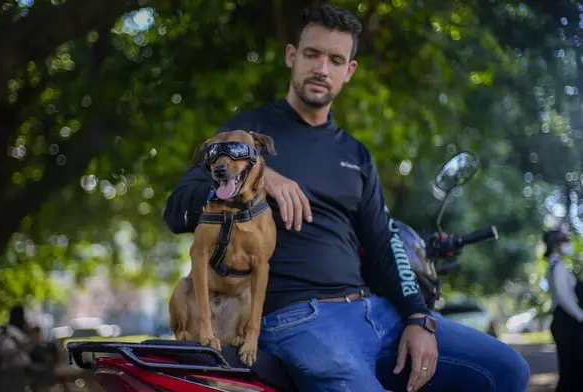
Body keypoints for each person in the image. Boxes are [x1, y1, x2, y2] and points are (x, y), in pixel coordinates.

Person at [163, 4, 530, 391]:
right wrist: (260, 176)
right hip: (296, 318)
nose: (322, 68)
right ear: (292, 56)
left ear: (348, 71)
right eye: (312, 54)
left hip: (374, 312)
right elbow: (177, 209)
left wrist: (418, 318)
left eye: (336, 59)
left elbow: (383, 243)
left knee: (507, 369)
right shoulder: (244, 136)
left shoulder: (356, 154)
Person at [544, 228, 583, 392]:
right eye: (564, 241)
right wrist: (581, 316)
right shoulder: (557, 266)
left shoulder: (555, 265)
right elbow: (563, 297)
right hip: (566, 322)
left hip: (564, 321)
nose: (568, 245)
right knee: (570, 372)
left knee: (571, 370)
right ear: (556, 245)